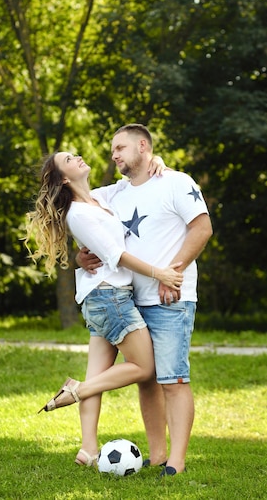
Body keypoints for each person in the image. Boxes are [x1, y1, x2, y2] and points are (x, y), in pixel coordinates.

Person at [24, 150, 184, 466]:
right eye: (69, 159)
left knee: (97, 374)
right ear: (65, 179)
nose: (78, 156)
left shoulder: (98, 199)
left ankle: (87, 449)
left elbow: (135, 180)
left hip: (100, 297)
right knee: (144, 367)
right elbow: (116, 255)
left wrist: (158, 161)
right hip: (110, 298)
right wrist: (160, 272)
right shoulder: (77, 214)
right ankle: (76, 390)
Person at [77, 124, 213, 476]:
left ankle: (177, 464)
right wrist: (80, 258)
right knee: (146, 379)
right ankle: (157, 454)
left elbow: (202, 228)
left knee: (174, 379)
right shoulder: (114, 193)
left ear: (142, 146)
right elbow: (80, 206)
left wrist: (174, 271)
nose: (114, 155)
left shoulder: (177, 182)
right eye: (112, 150)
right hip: (130, 299)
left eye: (120, 148)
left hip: (171, 298)